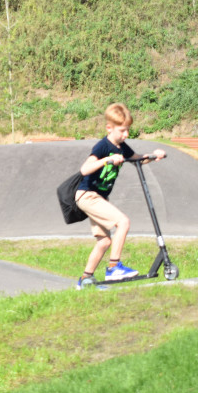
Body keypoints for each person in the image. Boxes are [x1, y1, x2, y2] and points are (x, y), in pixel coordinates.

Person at [74, 103, 165, 289]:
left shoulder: (121, 147)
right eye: (122, 130)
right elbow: (85, 169)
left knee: (104, 241)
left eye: (128, 130)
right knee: (123, 222)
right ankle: (114, 267)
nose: (126, 135)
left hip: (97, 197)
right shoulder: (103, 146)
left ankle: (85, 280)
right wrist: (107, 159)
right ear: (110, 128)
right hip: (87, 195)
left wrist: (154, 155)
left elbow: (138, 159)